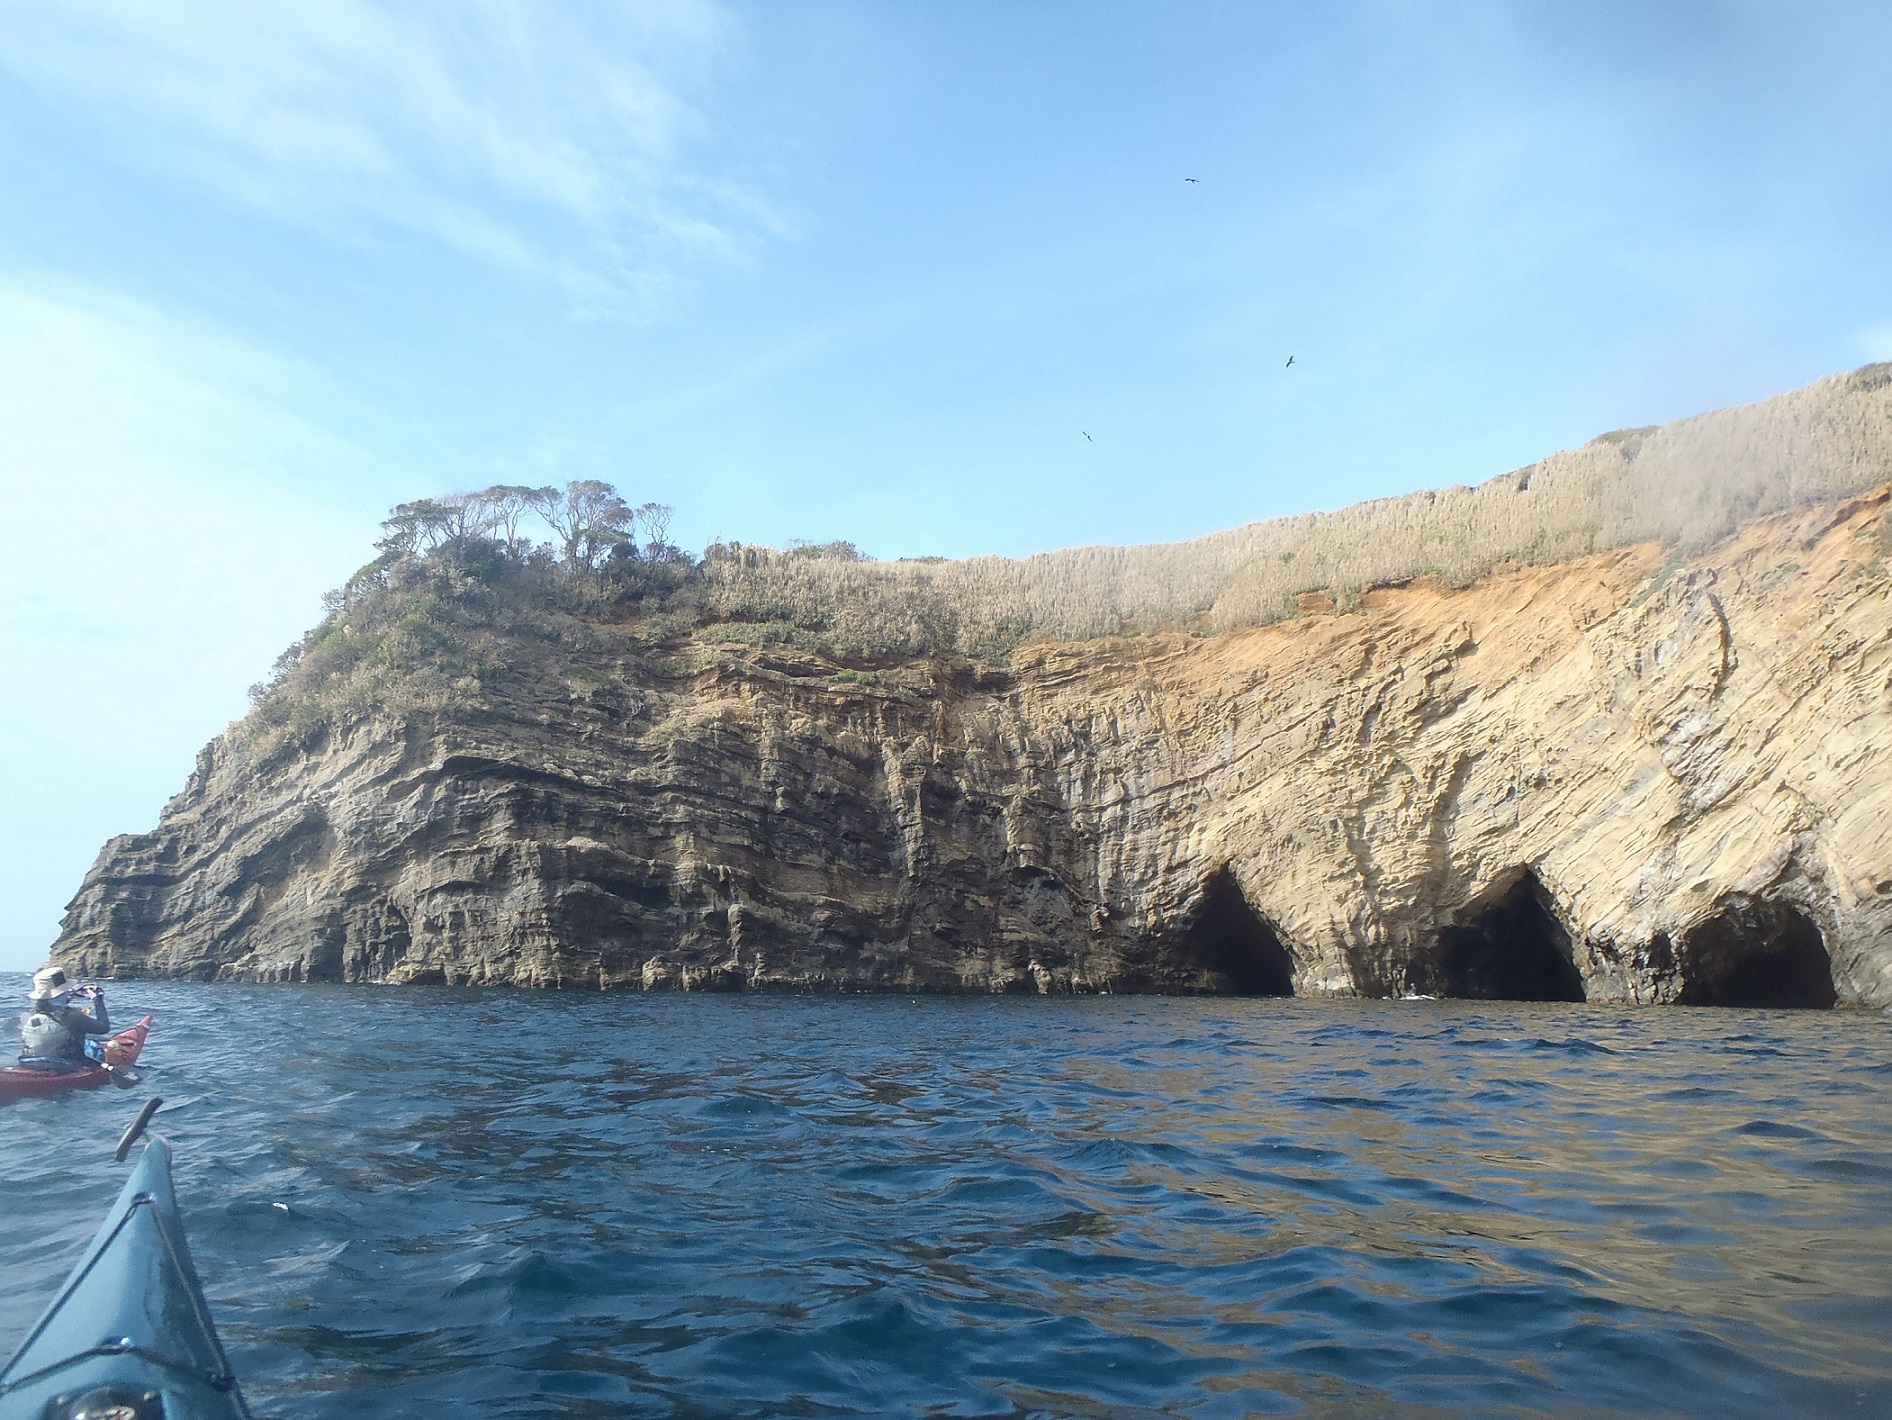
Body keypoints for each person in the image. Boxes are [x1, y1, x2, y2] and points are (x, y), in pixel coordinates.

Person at [17, 965, 112, 1073]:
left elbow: (53, 1009)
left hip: (30, 1063)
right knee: (93, 1047)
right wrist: (97, 999)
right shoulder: (73, 1017)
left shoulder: (30, 1015)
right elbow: (104, 1028)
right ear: (62, 991)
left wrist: (68, 996)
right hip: (65, 1066)